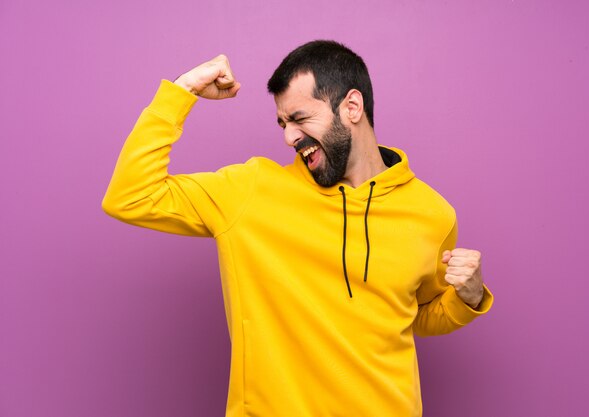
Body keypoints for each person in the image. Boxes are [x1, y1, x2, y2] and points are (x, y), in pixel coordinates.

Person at [102, 40, 493, 417]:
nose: (289, 137)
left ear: (351, 107)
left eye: (300, 118)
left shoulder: (432, 213)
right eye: (283, 123)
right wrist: (181, 91)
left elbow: (415, 314)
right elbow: (130, 196)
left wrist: (467, 298)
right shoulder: (250, 191)